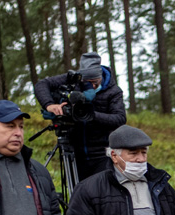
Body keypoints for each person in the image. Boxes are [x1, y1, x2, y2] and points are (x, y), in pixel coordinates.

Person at [33, 52, 126, 180]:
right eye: (87, 83)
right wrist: (49, 105)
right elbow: (41, 85)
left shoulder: (113, 91)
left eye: (95, 82)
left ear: (100, 76)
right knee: (79, 193)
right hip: (74, 151)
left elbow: (120, 119)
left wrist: (91, 115)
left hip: (102, 154)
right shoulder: (74, 79)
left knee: (102, 191)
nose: (91, 86)